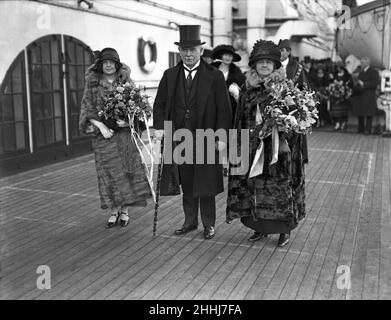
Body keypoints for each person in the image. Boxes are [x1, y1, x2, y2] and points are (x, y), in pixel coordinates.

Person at [153, 25, 232, 240]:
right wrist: (159, 127)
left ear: (201, 51)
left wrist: (222, 137)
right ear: (180, 52)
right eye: (185, 50)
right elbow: (159, 104)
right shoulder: (169, 75)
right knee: (187, 183)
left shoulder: (214, 76)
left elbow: (224, 109)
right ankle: (190, 222)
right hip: (180, 138)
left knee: (205, 183)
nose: (188, 54)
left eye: (193, 50)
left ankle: (208, 224)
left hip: (206, 138)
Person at [226, 40, 306, 247]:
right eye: (260, 62)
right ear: (254, 65)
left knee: (278, 189)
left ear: (275, 65)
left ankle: (284, 231)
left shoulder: (285, 88)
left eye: (268, 62)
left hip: (278, 151)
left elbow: (295, 121)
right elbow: (240, 119)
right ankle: (259, 228)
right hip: (253, 148)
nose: (264, 65)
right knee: (254, 188)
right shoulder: (247, 89)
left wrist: (284, 128)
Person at [79, 47, 152, 228]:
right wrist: (102, 126)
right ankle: (113, 210)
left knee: (126, 173)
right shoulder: (93, 84)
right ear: (100, 64)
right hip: (104, 137)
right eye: (105, 62)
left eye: (112, 62)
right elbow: (87, 109)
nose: (109, 65)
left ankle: (125, 210)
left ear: (117, 64)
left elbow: (141, 108)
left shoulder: (126, 82)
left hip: (125, 136)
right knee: (109, 174)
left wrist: (128, 123)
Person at [278, 39, 309, 164]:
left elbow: (305, 88)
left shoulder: (297, 67)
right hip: (277, 108)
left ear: (288, 52)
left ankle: (295, 161)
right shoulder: (273, 66)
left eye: (281, 50)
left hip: (293, 110)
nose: (279, 53)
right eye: (278, 50)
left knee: (294, 141)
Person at [211, 44, 245, 121]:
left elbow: (243, 90)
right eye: (226, 55)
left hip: (230, 107)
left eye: (230, 56)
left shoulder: (237, 73)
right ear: (221, 56)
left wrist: (236, 90)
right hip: (212, 105)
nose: (228, 58)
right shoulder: (210, 70)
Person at [353, 57, 380, 134]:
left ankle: (368, 129)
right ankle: (360, 128)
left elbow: (375, 83)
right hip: (360, 95)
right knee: (360, 112)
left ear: (367, 63)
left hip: (369, 95)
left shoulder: (374, 71)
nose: (360, 64)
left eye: (362, 63)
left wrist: (364, 84)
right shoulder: (361, 72)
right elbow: (358, 82)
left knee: (369, 114)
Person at [329, 62, 353, 131]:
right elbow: (330, 83)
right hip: (335, 96)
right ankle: (337, 124)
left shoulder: (347, 75)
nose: (337, 69)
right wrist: (332, 81)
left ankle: (343, 124)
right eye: (337, 67)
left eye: (339, 67)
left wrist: (345, 87)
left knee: (344, 111)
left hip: (344, 96)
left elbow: (350, 84)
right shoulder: (334, 75)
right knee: (336, 111)